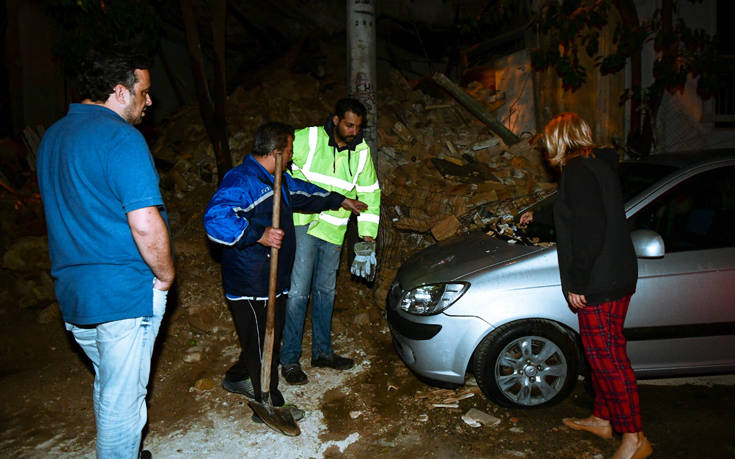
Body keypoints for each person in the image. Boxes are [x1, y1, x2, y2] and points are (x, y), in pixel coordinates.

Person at [36, 51, 175, 458]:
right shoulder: (120, 138)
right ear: (120, 91)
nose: (149, 101)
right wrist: (166, 275)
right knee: (124, 404)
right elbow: (144, 222)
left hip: (75, 294)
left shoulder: (52, 138)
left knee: (111, 385)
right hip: (122, 293)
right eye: (144, 92)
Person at [203, 122, 366, 419]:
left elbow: (305, 192)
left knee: (261, 339)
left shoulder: (276, 178)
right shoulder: (243, 180)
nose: (293, 155)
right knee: (263, 345)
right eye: (290, 150)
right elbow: (216, 219)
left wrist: (339, 200)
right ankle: (270, 404)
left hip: (272, 278)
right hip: (251, 283)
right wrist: (258, 234)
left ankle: (238, 377)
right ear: (277, 152)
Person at [520, 113, 651, 459]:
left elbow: (589, 233)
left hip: (598, 280)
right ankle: (602, 419)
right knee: (604, 353)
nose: (547, 151)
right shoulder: (598, 164)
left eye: (549, 143)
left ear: (560, 140)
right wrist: (539, 216)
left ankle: (635, 437)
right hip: (617, 274)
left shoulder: (577, 171)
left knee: (608, 360)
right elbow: (579, 210)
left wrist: (578, 282)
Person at [279, 98, 381, 385]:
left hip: (334, 231)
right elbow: (277, 160)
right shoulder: (308, 138)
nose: (354, 131)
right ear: (335, 120)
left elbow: (370, 194)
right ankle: (289, 359)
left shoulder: (361, 152)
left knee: (326, 292)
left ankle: (323, 352)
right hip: (304, 224)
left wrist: (367, 239)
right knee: (298, 294)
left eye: (358, 126)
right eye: (349, 125)